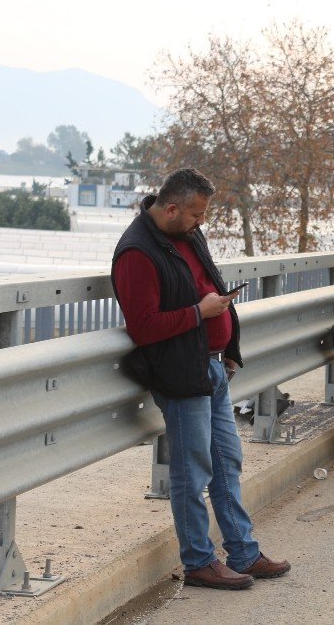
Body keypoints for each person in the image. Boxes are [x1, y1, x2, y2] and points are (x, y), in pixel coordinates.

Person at [111, 168, 289, 590]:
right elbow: (143, 326)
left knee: (227, 463)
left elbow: (207, 289)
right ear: (171, 208)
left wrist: (227, 349)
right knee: (191, 473)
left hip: (211, 367)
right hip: (180, 373)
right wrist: (200, 313)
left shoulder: (186, 235)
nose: (200, 222)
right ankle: (198, 562)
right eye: (195, 214)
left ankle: (243, 552)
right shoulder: (136, 252)